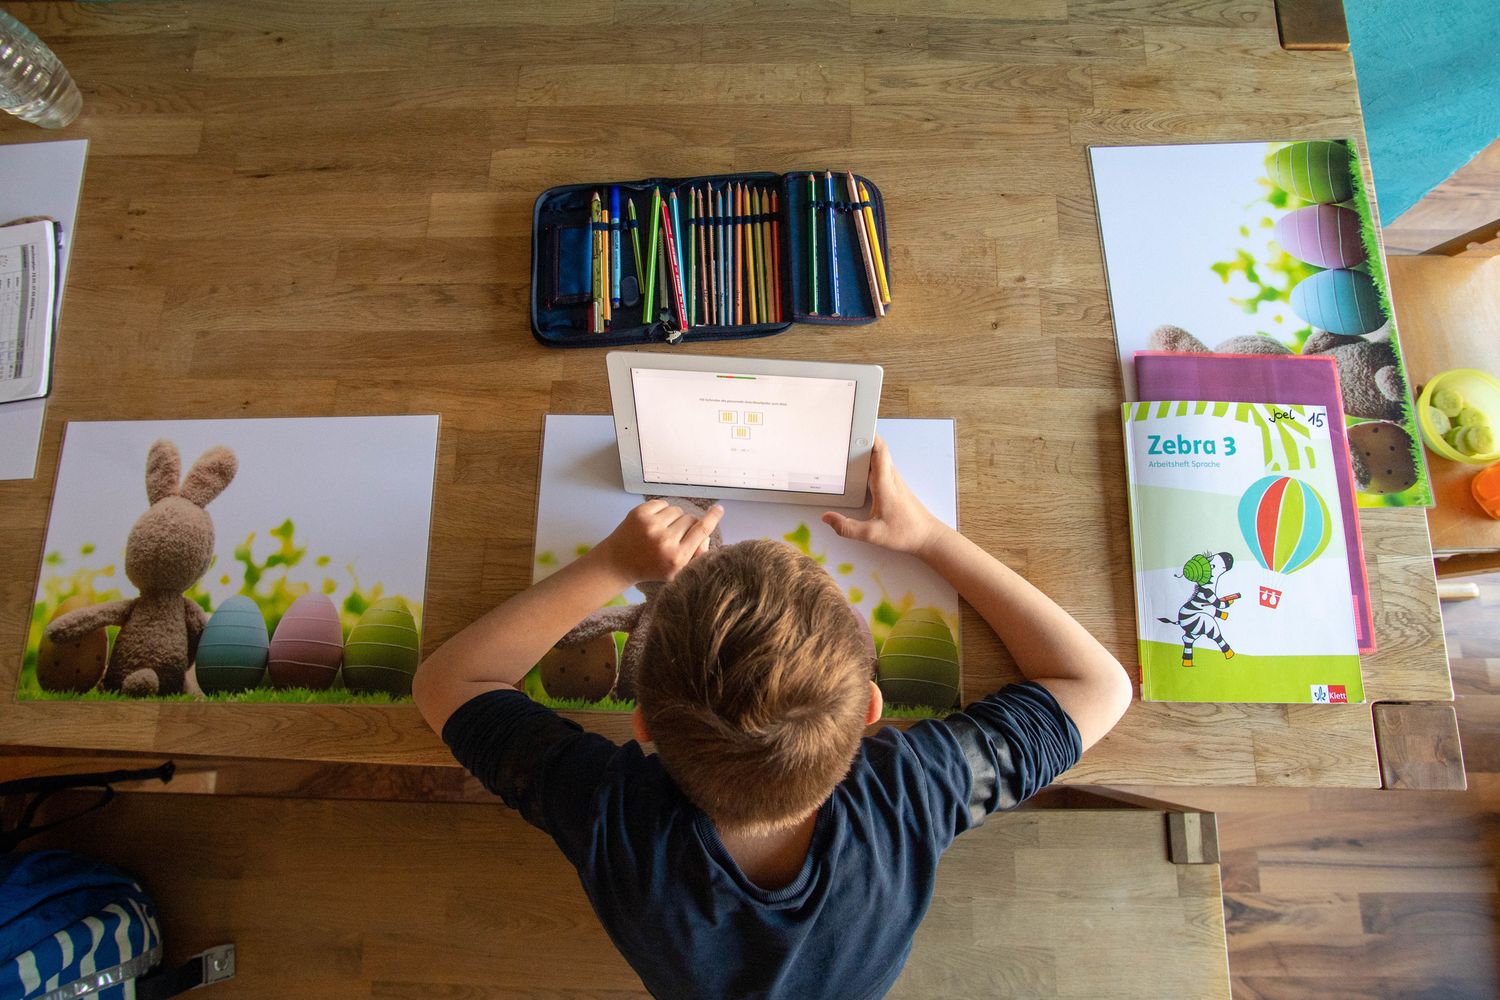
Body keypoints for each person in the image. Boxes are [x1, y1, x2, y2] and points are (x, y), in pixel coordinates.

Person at [412, 437, 1132, 1000]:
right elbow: (1095, 684)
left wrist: (611, 563)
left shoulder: (614, 817)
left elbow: (449, 681)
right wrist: (928, 538)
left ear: (643, 727)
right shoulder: (913, 792)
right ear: (871, 713)